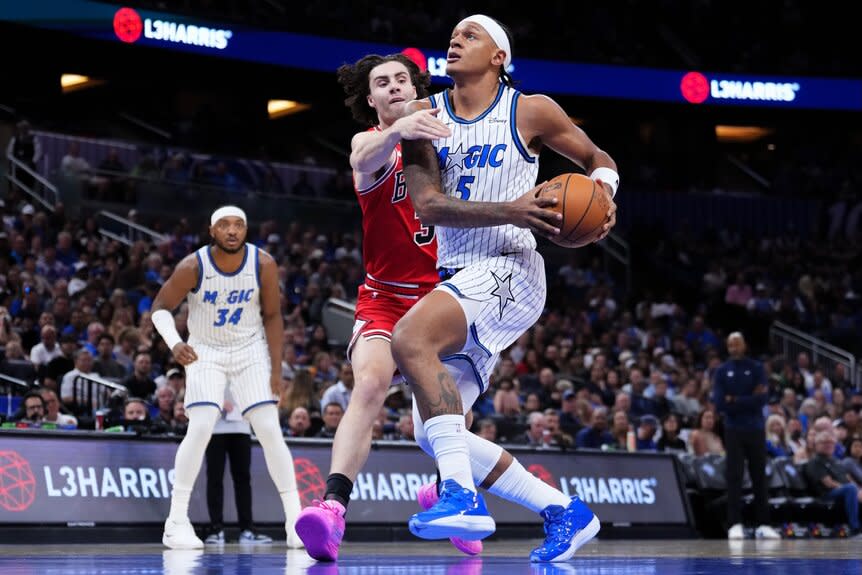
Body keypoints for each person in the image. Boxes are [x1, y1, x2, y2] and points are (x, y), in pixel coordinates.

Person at [391, 15, 617, 562]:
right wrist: (512, 207)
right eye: (453, 34)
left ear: (499, 57)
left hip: (511, 267)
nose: (455, 39)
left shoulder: (530, 109)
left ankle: (461, 498)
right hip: (458, 276)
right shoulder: (425, 116)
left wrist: (604, 197)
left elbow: (596, 160)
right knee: (432, 431)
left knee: (409, 340)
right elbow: (427, 205)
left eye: (471, 35)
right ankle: (565, 512)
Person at [295, 52, 469, 561]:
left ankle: (447, 492)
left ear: (416, 85)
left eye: (401, 79)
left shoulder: (453, 139)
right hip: (386, 297)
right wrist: (398, 130)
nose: (393, 87)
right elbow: (362, 158)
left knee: (450, 413)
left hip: (444, 298)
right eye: (382, 84)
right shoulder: (371, 143)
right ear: (370, 99)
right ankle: (331, 509)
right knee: (369, 382)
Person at [152, 205, 302, 549]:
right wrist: (174, 344)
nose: (232, 230)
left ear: (246, 230)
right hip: (206, 350)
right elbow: (160, 308)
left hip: (250, 349)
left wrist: (277, 369)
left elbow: (274, 316)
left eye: (238, 225)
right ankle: (175, 522)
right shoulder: (193, 265)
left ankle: (295, 520)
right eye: (224, 225)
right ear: (212, 231)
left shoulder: (262, 263)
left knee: (268, 428)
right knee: (202, 425)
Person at [712, 332, 780, 540]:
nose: (733, 347)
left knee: (759, 475)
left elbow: (761, 400)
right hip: (733, 429)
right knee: (734, 475)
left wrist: (736, 400)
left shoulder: (756, 368)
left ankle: (763, 524)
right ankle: (735, 523)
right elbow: (720, 403)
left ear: (744, 345)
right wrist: (746, 398)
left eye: (737, 343)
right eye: (730, 344)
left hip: (756, 428)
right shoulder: (722, 371)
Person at [204, 389, 271, 545]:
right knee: (214, 478)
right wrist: (217, 400)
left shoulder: (246, 367)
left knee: (243, 479)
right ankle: (216, 529)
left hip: (242, 427)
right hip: (215, 428)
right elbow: (200, 387)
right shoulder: (210, 365)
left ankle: (247, 529)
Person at [805, 431, 862, 535]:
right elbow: (828, 483)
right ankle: (855, 527)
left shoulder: (835, 460)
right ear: (816, 445)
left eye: (831, 442)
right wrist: (851, 489)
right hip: (826, 493)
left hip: (845, 490)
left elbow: (848, 477)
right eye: (824, 442)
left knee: (855, 490)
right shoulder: (815, 461)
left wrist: (859, 490)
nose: (829, 445)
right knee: (851, 489)